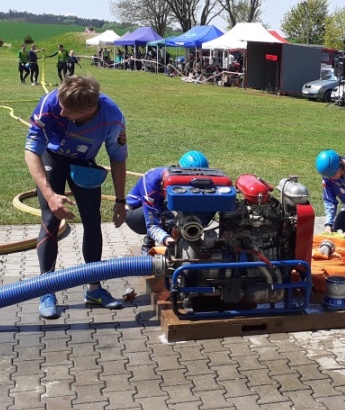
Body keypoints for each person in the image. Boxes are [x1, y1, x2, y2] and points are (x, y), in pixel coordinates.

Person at [23, 75, 128, 319]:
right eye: (61, 106)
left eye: (68, 111)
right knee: (50, 219)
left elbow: (118, 158)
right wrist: (50, 195)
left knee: (92, 220)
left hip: (84, 162)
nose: (61, 111)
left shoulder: (112, 118)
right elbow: (31, 151)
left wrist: (120, 201)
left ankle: (94, 289)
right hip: (52, 158)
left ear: (89, 109)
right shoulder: (50, 103)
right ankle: (46, 290)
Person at [126, 151, 210, 254]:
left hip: (157, 205)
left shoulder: (179, 179)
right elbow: (152, 224)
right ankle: (147, 244)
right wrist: (165, 238)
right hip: (134, 213)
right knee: (168, 215)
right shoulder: (152, 183)